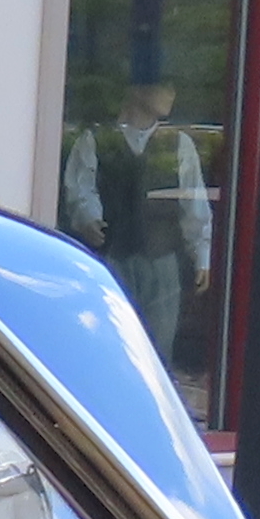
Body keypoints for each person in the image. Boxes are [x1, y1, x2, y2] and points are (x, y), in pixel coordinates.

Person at [60, 79, 214, 355]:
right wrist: (90, 219)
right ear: (137, 90)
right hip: (113, 259)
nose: (171, 93)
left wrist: (202, 254)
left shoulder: (180, 144)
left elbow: (194, 205)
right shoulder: (96, 140)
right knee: (111, 344)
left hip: (162, 262)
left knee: (157, 350)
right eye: (163, 86)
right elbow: (81, 191)